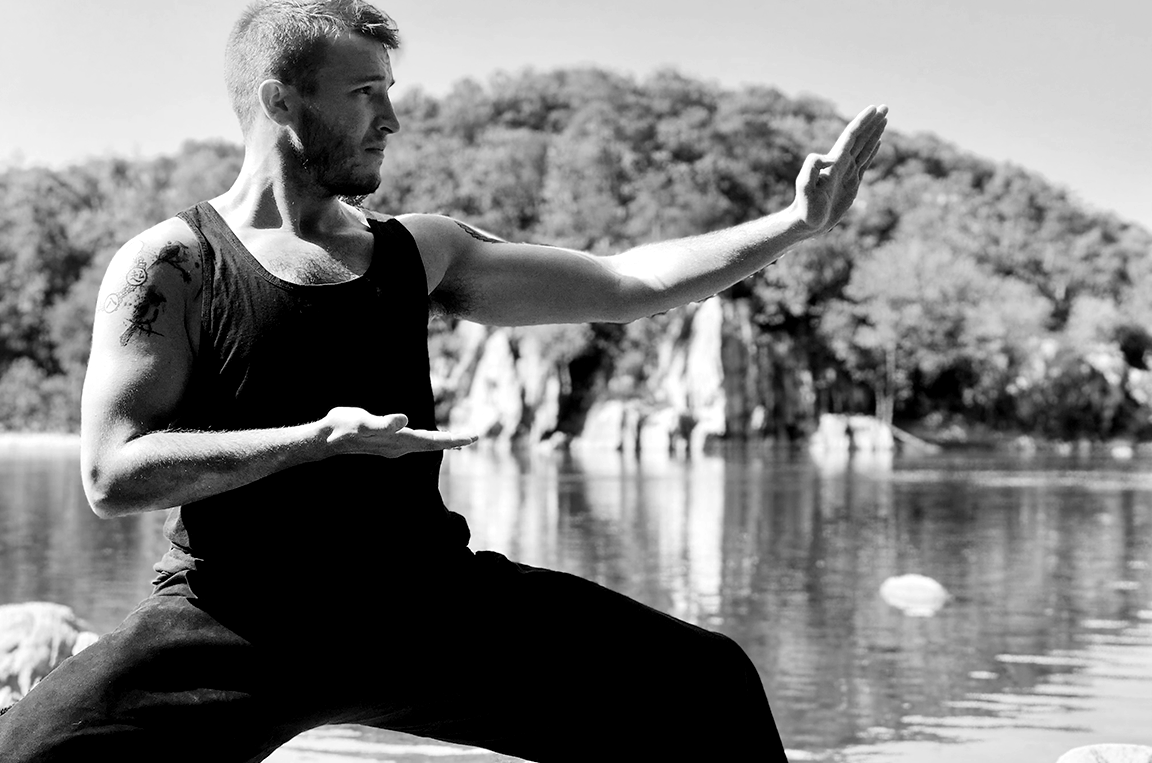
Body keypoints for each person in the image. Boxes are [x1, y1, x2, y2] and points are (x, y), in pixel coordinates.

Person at [0, 1, 886, 760]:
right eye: (364, 94)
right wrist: (313, 442)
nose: (390, 119)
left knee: (704, 685)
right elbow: (112, 475)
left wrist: (794, 225)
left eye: (390, 93)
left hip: (426, 606)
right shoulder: (173, 264)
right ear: (280, 101)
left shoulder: (420, 251)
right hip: (235, 619)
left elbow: (627, 284)